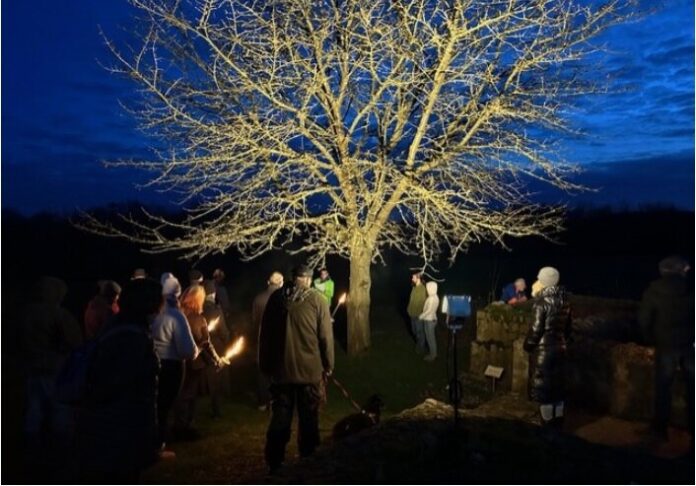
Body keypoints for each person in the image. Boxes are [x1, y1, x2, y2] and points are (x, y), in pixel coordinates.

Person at [75, 278, 162, 483]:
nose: (159, 309)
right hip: (120, 426)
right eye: (157, 302)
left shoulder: (120, 326)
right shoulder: (130, 336)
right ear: (146, 304)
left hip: (114, 423)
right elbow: (120, 382)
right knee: (121, 474)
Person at [259, 264, 334, 474]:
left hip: (281, 372)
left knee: (281, 415)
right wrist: (328, 364)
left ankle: (274, 460)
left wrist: (265, 364)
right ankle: (308, 457)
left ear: (293, 278)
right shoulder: (318, 300)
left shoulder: (276, 299)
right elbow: (326, 338)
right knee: (308, 417)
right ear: (308, 279)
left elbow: (265, 335)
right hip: (309, 372)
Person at [22, 276, 83, 481]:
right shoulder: (58, 315)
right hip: (55, 369)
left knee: (34, 410)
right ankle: (57, 456)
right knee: (59, 411)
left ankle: (33, 451)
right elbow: (74, 341)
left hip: (33, 368)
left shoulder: (26, 314)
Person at [638, 256, 694, 441]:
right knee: (693, 389)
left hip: (666, 346)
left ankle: (660, 429)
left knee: (663, 389)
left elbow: (644, 320)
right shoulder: (691, 291)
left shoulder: (654, 291)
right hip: (688, 345)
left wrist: (651, 339)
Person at [151, 273, 197, 450]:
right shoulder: (176, 316)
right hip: (171, 366)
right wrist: (195, 351)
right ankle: (160, 443)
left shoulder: (152, 313)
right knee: (166, 405)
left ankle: (154, 439)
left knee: (155, 404)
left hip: (152, 363)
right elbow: (187, 349)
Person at [523, 267, 572, 432]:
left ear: (544, 281)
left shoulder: (541, 303)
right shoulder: (565, 301)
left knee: (545, 393)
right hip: (561, 349)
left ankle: (547, 429)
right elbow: (568, 329)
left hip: (544, 352)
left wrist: (527, 346)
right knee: (557, 390)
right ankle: (558, 427)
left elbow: (536, 331)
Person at [173, 285, 223, 439]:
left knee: (182, 393)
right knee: (190, 394)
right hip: (194, 362)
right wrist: (217, 359)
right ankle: (186, 427)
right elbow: (206, 342)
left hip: (178, 360)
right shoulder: (198, 318)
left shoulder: (178, 314)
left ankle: (181, 425)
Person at [251, 271, 284, 410]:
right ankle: (276, 401)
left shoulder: (259, 298)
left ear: (268, 282)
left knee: (263, 371)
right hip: (280, 341)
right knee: (278, 371)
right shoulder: (284, 298)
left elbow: (255, 321)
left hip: (263, 339)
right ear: (281, 283)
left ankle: (263, 402)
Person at [202, 279, 230, 418]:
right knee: (215, 378)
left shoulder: (199, 309)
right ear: (213, 294)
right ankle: (217, 408)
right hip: (215, 345)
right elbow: (223, 332)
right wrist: (226, 340)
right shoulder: (216, 310)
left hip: (201, 345)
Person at [407, 272, 427, 353]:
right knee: (414, 331)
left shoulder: (422, 289)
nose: (412, 279)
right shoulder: (414, 288)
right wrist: (409, 309)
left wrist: (421, 313)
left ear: (418, 278)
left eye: (413, 277)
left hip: (418, 314)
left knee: (420, 332)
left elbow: (422, 302)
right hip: (412, 314)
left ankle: (420, 348)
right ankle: (419, 345)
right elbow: (411, 300)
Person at [419, 281, 440, 361]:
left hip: (429, 320)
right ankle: (432, 353)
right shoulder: (435, 296)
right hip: (431, 319)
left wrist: (421, 316)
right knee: (430, 338)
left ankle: (433, 355)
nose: (427, 289)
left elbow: (429, 310)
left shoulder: (432, 298)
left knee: (430, 338)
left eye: (428, 288)